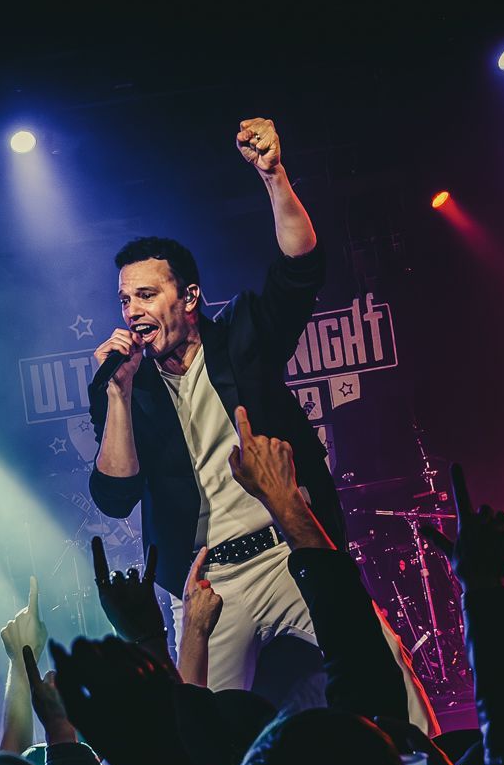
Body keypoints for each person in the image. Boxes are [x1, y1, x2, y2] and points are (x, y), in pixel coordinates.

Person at [85, 118, 434, 729]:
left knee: (384, 659)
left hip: (285, 550)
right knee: (204, 730)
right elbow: (114, 497)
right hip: (207, 581)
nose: (133, 310)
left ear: (188, 299)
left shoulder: (242, 337)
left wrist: (273, 175)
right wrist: (116, 394)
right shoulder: (123, 386)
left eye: (146, 294)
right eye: (124, 299)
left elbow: (299, 269)